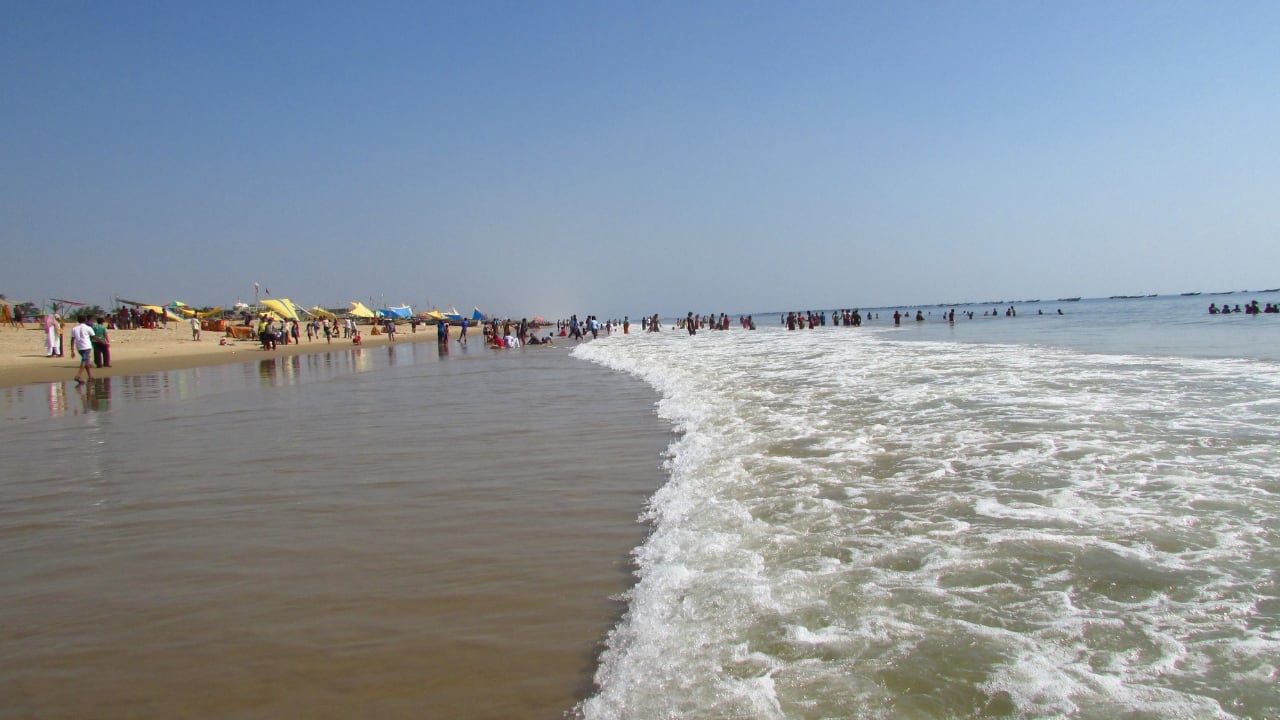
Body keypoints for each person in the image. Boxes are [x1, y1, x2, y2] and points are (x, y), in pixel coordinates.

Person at [71, 316, 95, 384]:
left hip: (79, 347)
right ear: (85, 320)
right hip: (86, 346)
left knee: (86, 361)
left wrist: (72, 350)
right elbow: (93, 336)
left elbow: (72, 340)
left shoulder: (74, 328)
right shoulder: (88, 328)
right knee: (84, 360)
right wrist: (102, 341)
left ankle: (90, 376)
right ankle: (78, 376)